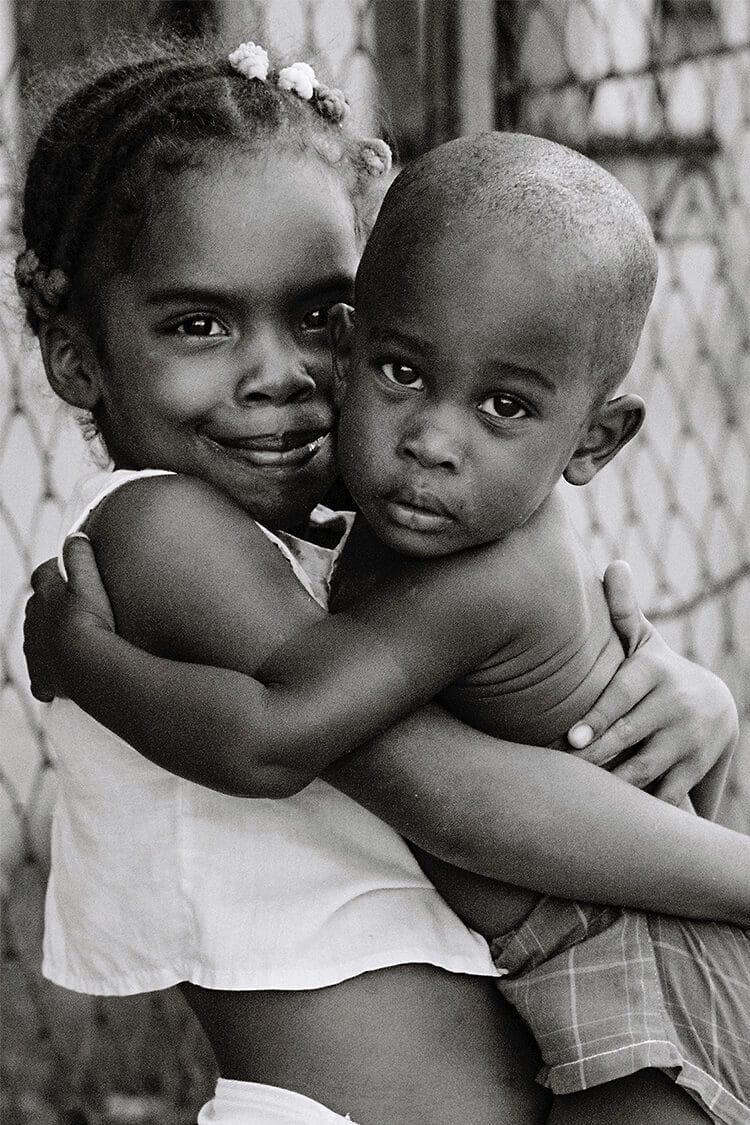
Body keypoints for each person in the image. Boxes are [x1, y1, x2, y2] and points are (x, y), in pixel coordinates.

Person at [20, 37, 743, 1125]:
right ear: (78, 357)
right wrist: (77, 657)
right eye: (199, 324)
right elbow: (442, 788)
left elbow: (538, 692)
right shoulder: (156, 529)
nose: (280, 375)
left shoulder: (376, 534)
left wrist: (693, 696)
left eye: (322, 318)